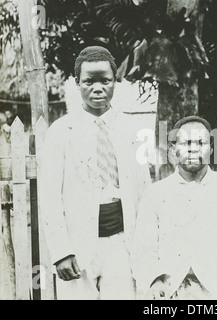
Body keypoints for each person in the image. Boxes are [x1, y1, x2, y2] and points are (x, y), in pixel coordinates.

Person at [39, 46, 151, 300]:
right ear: (77, 83)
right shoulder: (61, 132)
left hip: (123, 243)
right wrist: (61, 252)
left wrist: (145, 246)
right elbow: (49, 198)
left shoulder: (132, 129)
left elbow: (144, 190)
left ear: (115, 82)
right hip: (77, 245)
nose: (98, 88)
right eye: (89, 81)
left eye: (105, 81)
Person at [131, 116, 217, 300]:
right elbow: (143, 248)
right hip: (169, 289)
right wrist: (155, 280)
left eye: (201, 143)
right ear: (173, 148)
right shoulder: (155, 194)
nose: (193, 149)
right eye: (185, 143)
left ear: (211, 149)